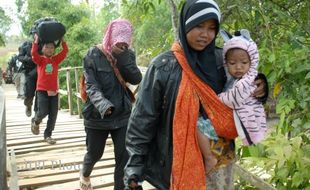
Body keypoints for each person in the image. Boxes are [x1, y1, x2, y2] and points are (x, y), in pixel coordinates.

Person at [124, 0, 268, 189]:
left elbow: (244, 88)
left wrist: (261, 87)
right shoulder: (163, 67)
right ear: (186, 24)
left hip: (220, 161)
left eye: (211, 28)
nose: (205, 34)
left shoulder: (223, 61)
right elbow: (142, 120)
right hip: (177, 162)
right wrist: (134, 169)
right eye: (199, 25)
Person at [79, 19, 142, 190]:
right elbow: (91, 86)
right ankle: (85, 173)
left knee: (123, 158)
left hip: (122, 116)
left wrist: (123, 58)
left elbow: (136, 78)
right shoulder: (93, 54)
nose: (121, 44)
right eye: (118, 40)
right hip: (97, 117)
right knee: (94, 153)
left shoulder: (127, 55)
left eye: (124, 41)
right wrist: (103, 105)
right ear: (110, 36)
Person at [197, 29, 268, 175]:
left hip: (229, 126)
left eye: (243, 62)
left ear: (252, 61)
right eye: (232, 63)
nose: (238, 67)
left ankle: (209, 158)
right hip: (228, 124)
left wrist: (214, 100)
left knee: (199, 126)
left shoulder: (248, 79)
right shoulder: (234, 76)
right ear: (226, 63)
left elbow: (234, 98)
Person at [30, 33, 68, 145]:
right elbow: (33, 53)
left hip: (54, 91)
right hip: (42, 90)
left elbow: (65, 52)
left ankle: (48, 135)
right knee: (42, 111)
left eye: (52, 47)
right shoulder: (40, 60)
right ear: (42, 49)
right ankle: (36, 121)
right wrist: (36, 41)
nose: (50, 49)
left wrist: (62, 40)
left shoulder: (56, 60)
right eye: (47, 47)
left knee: (53, 114)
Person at [17, 40, 37, 117]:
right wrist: (28, 59)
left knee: (41, 93)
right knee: (29, 92)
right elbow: (20, 57)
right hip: (29, 72)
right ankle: (28, 105)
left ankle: (38, 112)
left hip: (41, 71)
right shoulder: (26, 44)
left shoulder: (43, 43)